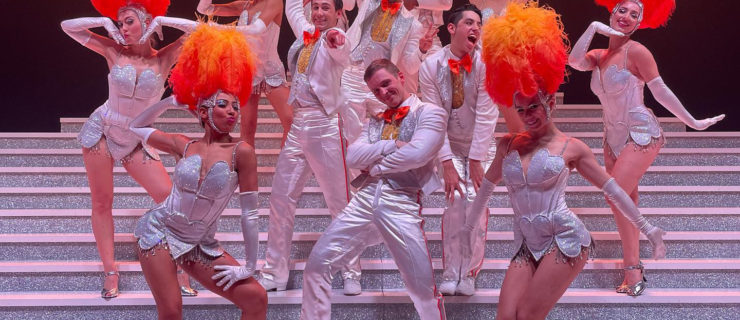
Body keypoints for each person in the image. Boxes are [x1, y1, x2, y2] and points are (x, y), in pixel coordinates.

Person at [469, 2, 667, 318]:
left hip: (565, 239)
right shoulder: (507, 143)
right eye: (520, 110)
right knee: (506, 317)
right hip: (525, 244)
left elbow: (614, 190)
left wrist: (648, 228)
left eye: (533, 107)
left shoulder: (572, 147)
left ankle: (633, 266)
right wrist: (469, 228)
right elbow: (484, 193)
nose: (527, 116)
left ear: (550, 103)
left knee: (529, 314)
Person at [568, 0, 724, 296]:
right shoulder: (598, 55)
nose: (626, 17)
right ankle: (633, 271)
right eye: (622, 10)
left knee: (614, 195)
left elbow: (660, 91)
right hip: (611, 139)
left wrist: (691, 121)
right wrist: (592, 28)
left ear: (640, 23)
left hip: (641, 133)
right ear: (611, 13)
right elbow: (573, 61)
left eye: (634, 15)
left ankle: (648, 241)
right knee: (623, 202)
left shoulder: (637, 51)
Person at [129, 24, 267, 319]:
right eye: (223, 104)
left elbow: (250, 214)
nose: (232, 111)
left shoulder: (242, 152)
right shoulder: (184, 144)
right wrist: (171, 101)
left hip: (199, 243)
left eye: (235, 106)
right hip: (159, 231)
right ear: (204, 112)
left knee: (255, 298)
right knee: (171, 311)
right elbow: (135, 127)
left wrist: (251, 265)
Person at [60, 0, 197, 298]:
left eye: (128, 21)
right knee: (102, 201)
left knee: (170, 199)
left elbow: (199, 31)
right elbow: (67, 27)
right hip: (103, 131)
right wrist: (106, 25)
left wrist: (161, 21)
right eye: (120, 23)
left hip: (136, 138)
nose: (123, 28)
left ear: (147, 22)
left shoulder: (164, 58)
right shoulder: (112, 50)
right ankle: (110, 271)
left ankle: (182, 266)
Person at [301, 58, 448, 320]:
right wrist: (390, 146)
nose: (382, 93)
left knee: (423, 289)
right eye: (375, 91)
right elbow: (353, 157)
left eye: (385, 84)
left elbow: (418, 154)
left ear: (400, 77)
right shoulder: (376, 120)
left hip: (401, 200)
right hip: (365, 198)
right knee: (316, 266)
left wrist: (377, 167)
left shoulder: (430, 112)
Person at [256, 0, 363, 295]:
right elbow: (292, 8)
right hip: (298, 125)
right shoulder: (306, 31)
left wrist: (336, 38)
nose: (318, 13)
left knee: (339, 202)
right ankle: (274, 272)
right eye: (315, 7)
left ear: (339, 13)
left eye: (326, 7)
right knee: (280, 199)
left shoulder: (337, 39)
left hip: (325, 125)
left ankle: (351, 270)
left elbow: (341, 50)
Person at [418, 4, 499, 296]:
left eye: (478, 23)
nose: (475, 28)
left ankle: (470, 271)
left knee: (476, 204)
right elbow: (433, 117)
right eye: (468, 22)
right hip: (447, 144)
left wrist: (476, 158)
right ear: (452, 28)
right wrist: (447, 163)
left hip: (479, 145)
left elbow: (488, 114)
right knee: (455, 204)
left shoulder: (486, 65)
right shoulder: (430, 65)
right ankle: (451, 271)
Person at [196, 0, 293, 147]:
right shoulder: (245, 5)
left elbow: (255, 29)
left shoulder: (274, 2)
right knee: (247, 128)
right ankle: (247, 169)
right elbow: (204, 9)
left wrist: (216, 28)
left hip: (270, 71)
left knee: (291, 121)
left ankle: (287, 168)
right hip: (248, 72)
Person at [340, 0, 438, 141]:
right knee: (352, 134)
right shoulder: (368, 3)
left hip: (381, 83)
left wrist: (422, 50)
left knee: (383, 133)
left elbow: (410, 66)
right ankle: (356, 162)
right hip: (353, 74)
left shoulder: (413, 24)